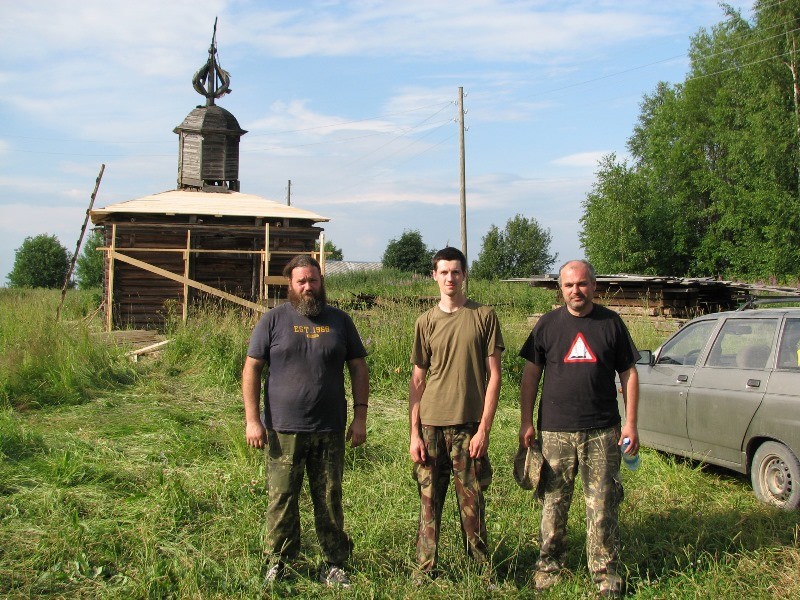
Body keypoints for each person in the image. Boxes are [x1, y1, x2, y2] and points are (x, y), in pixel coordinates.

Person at [242, 254, 369, 588]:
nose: (308, 287)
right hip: (283, 429)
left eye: (313, 281)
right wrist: (253, 420)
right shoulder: (273, 320)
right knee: (282, 497)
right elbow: (252, 368)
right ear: (291, 285)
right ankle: (280, 562)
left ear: (321, 282)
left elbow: (358, 367)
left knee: (329, 497)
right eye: (302, 281)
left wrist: (360, 417)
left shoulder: (340, 321)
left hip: (329, 427)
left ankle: (335, 564)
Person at [518, 259, 639, 598]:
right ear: (561, 288)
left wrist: (630, 422)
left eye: (582, 284)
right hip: (555, 431)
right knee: (553, 503)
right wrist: (527, 421)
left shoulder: (611, 324)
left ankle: (606, 575)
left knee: (602, 505)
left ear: (594, 286)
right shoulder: (547, 325)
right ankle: (548, 568)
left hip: (603, 431)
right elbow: (530, 376)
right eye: (569, 285)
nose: (576, 291)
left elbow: (629, 374)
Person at [408, 246, 504, 581]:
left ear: (464, 275)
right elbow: (418, 379)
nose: (450, 278)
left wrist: (484, 430)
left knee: (472, 504)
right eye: (444, 272)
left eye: (456, 271)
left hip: (469, 426)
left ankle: (480, 571)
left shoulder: (483, 316)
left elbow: (495, 376)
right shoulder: (425, 322)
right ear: (434, 276)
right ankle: (424, 569)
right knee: (429, 503)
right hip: (432, 424)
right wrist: (414, 433)